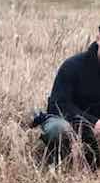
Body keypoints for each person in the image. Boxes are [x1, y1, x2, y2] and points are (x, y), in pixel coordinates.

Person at [32, 26, 100, 170]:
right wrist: (93, 123)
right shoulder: (73, 66)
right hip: (69, 122)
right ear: (98, 38)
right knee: (58, 129)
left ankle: (91, 160)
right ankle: (58, 159)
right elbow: (59, 105)